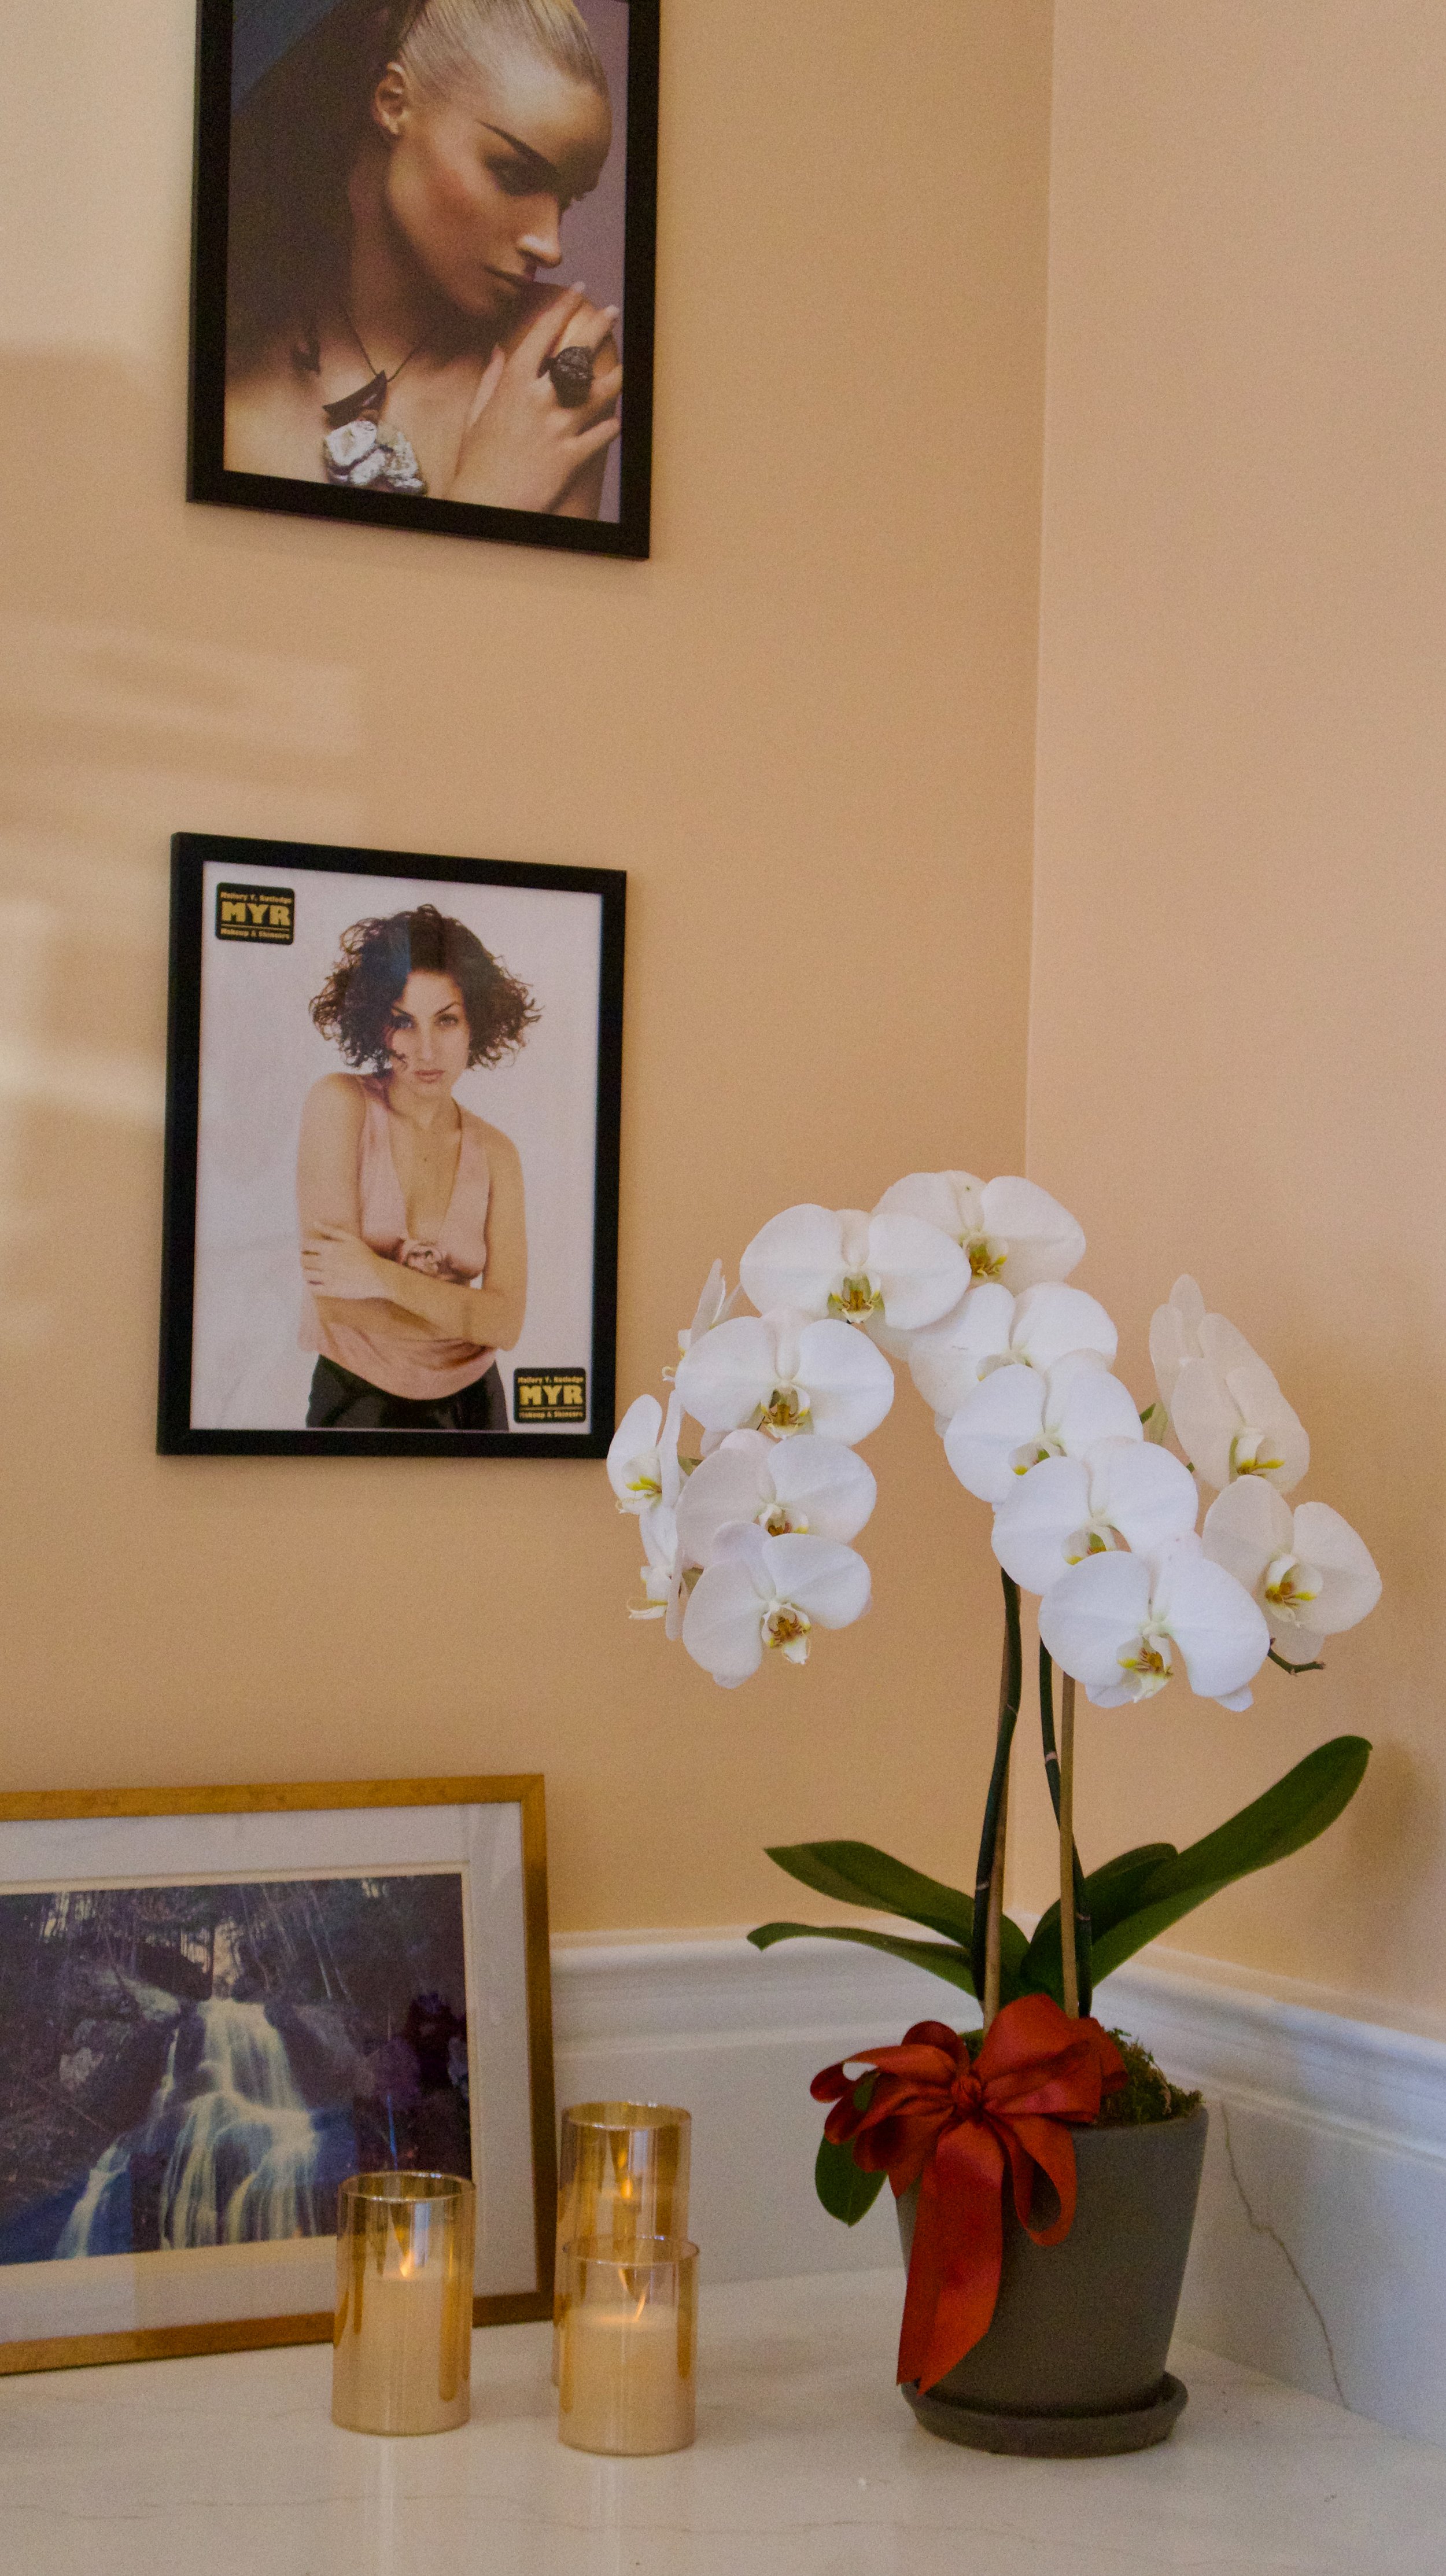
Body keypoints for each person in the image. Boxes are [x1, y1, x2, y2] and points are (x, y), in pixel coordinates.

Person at [224, 0, 622, 515]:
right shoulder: (231, 355)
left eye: (566, 201)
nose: (551, 246)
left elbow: (545, 597)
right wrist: (484, 496)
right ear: (392, 102)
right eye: (515, 175)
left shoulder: (553, 360)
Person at [298, 902, 534, 1428]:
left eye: (447, 1020)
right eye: (402, 1022)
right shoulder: (341, 1105)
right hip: (357, 1398)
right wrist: (467, 1316)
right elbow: (336, 1305)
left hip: (477, 1405)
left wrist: (378, 1275)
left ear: (477, 1022)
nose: (426, 1049)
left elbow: (508, 1324)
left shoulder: (498, 1152)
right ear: (374, 1024)